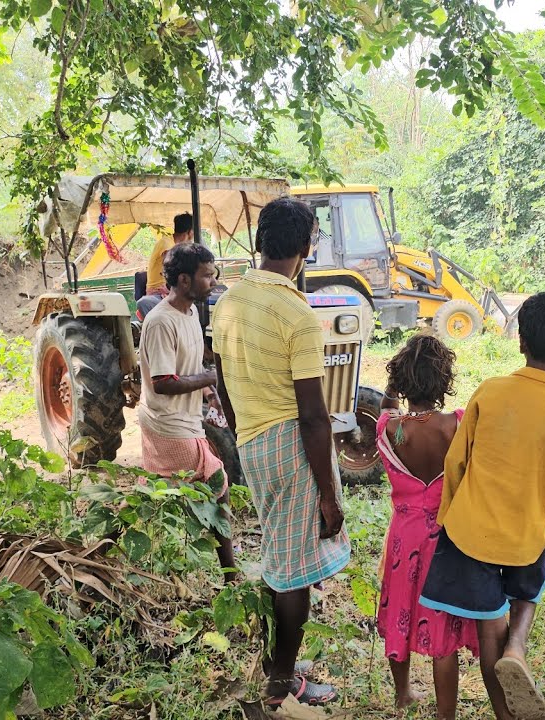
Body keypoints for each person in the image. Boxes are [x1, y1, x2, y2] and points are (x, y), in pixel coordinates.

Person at [418, 290, 545, 720]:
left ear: (520, 342)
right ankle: (519, 645)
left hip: (470, 534)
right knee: (529, 590)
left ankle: (506, 709)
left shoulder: (490, 392)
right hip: (524, 539)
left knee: (487, 632)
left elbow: (456, 462)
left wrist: (447, 518)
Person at [213, 197, 350, 708]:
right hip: (292, 445)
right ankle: (280, 683)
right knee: (292, 572)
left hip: (252, 442)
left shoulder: (228, 300)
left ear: (259, 243)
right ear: (307, 247)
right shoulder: (296, 312)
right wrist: (329, 495)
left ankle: (278, 661)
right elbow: (315, 416)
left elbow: (222, 379)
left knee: (278, 558)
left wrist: (239, 425)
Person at [376, 334, 478, 720]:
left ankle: (403, 694)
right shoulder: (457, 424)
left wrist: (395, 385)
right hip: (445, 538)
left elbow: (387, 408)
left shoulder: (388, 428)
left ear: (401, 382)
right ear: (444, 380)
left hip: (404, 539)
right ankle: (445, 714)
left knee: (399, 610)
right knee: (443, 630)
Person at [136, 242, 237, 582]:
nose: (213, 281)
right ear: (183, 280)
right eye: (207, 276)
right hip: (168, 422)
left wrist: (209, 391)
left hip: (186, 420)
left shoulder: (191, 312)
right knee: (217, 484)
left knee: (163, 495)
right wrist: (210, 378)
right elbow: (163, 381)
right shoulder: (161, 322)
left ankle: (136, 552)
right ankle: (230, 575)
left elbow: (189, 366)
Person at [138, 212, 194, 319]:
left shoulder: (178, 247)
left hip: (170, 291)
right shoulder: (167, 243)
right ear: (190, 232)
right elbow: (171, 266)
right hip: (159, 293)